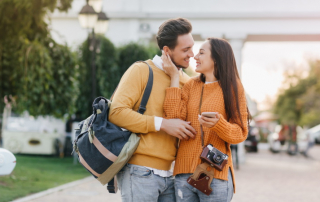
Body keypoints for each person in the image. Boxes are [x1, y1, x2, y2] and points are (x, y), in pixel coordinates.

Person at [109, 18, 197, 202]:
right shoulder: (141, 71)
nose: (192, 54)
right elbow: (116, 112)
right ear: (167, 50)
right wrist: (162, 124)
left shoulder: (187, 83)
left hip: (173, 175)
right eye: (185, 49)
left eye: (192, 47)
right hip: (139, 171)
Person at [162, 37, 250, 202]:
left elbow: (240, 133)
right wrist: (174, 77)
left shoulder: (233, 87)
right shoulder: (190, 86)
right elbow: (174, 118)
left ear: (216, 58)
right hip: (184, 173)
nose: (195, 57)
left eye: (201, 53)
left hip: (215, 174)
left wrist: (219, 124)